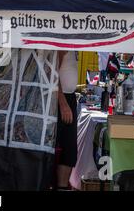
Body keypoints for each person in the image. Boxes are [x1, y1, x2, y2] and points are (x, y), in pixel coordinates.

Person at [55, 50, 79, 190]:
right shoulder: (63, 41)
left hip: (69, 98)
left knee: (69, 149)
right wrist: (62, 103)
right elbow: (52, 72)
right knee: (54, 146)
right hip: (57, 99)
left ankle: (62, 187)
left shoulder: (74, 43)